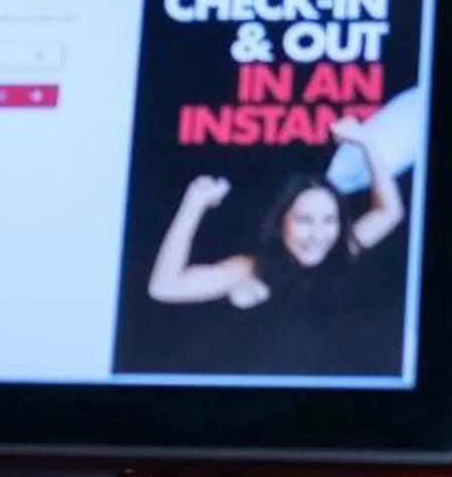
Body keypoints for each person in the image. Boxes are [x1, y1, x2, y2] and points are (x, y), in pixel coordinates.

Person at [147, 107, 411, 320]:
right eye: (304, 220)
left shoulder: (341, 250)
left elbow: (389, 211)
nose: (317, 234)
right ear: (280, 222)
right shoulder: (250, 270)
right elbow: (164, 288)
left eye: (329, 221)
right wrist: (193, 204)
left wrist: (367, 144)